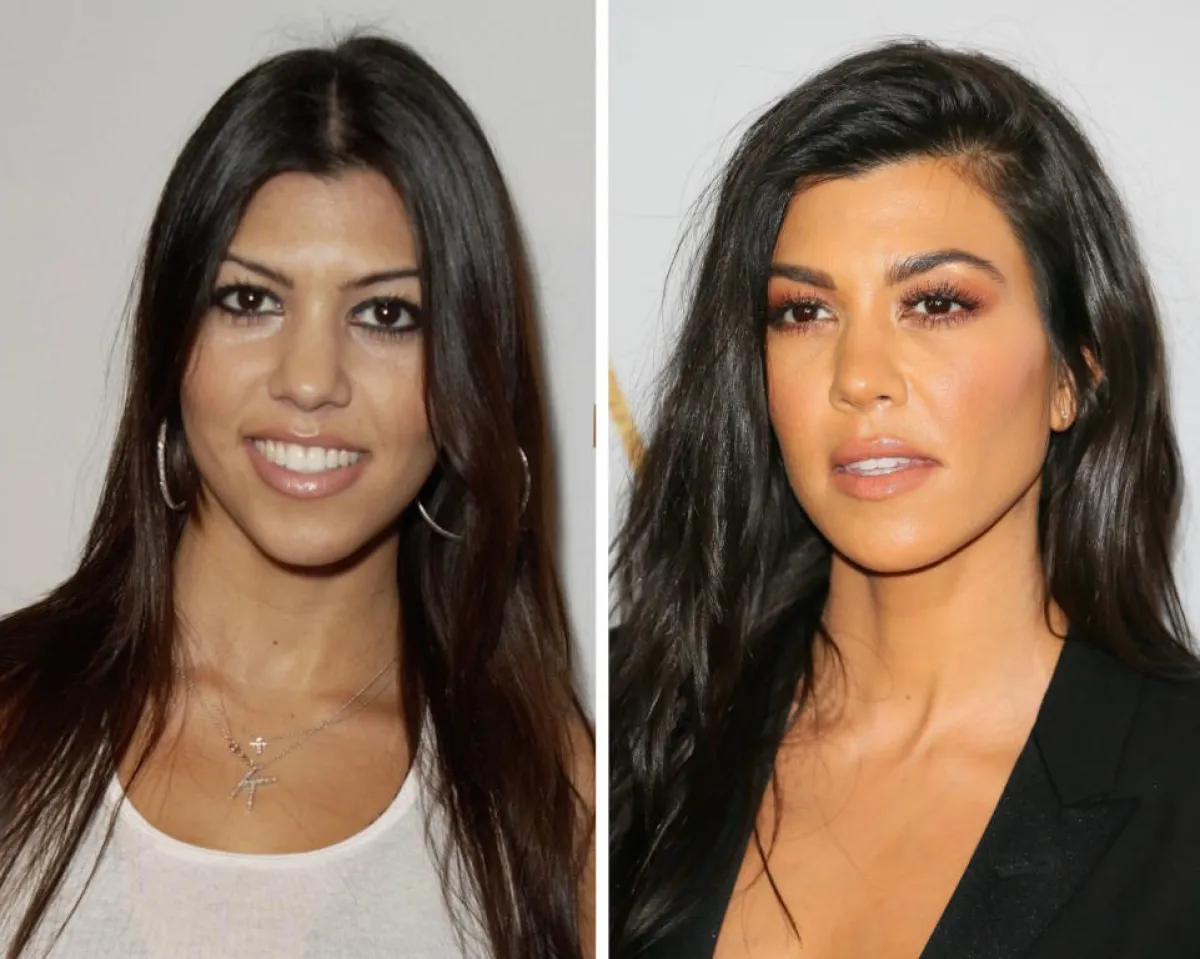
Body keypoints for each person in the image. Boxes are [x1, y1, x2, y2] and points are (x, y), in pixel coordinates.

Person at [0, 33, 593, 959]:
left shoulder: (561, 803)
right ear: (171, 341)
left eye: (386, 314)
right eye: (250, 300)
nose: (311, 379)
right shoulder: (13, 713)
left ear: (469, 377)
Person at [611, 39, 1200, 958]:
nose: (859, 377)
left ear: (1073, 374)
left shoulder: (1181, 787)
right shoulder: (633, 724)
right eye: (803, 311)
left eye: (936, 303)